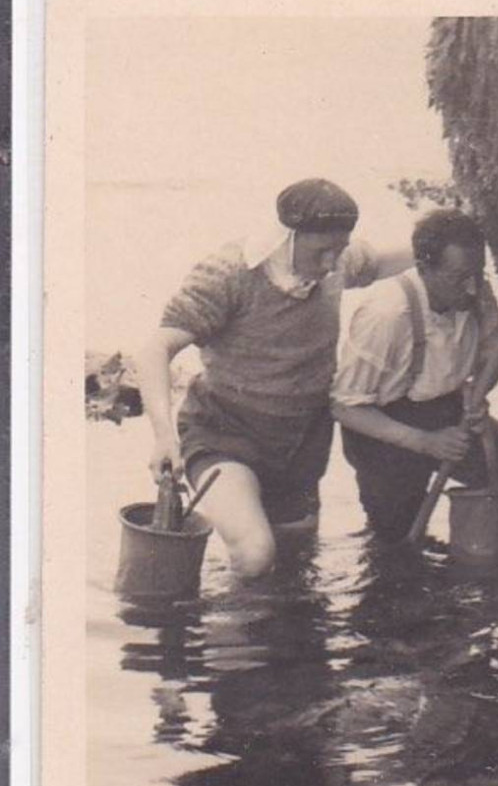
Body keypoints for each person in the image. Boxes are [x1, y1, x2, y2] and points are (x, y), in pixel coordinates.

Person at [139, 178, 392, 579]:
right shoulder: (228, 275)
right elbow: (156, 349)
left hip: (301, 443)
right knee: (255, 554)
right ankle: (221, 640)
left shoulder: (336, 262)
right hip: (226, 433)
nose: (330, 263)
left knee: (295, 563)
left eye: (339, 249)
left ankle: (272, 638)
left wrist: (469, 239)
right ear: (287, 237)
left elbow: (383, 263)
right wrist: (163, 435)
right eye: (320, 251)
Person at [331, 209, 498, 541]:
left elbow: (489, 363)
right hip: (383, 426)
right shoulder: (387, 314)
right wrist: (425, 442)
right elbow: (344, 407)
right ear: (423, 269)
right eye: (458, 276)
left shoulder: (476, 291)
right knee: (396, 538)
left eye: (477, 274)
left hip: (450, 410)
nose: (472, 288)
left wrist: (476, 394)